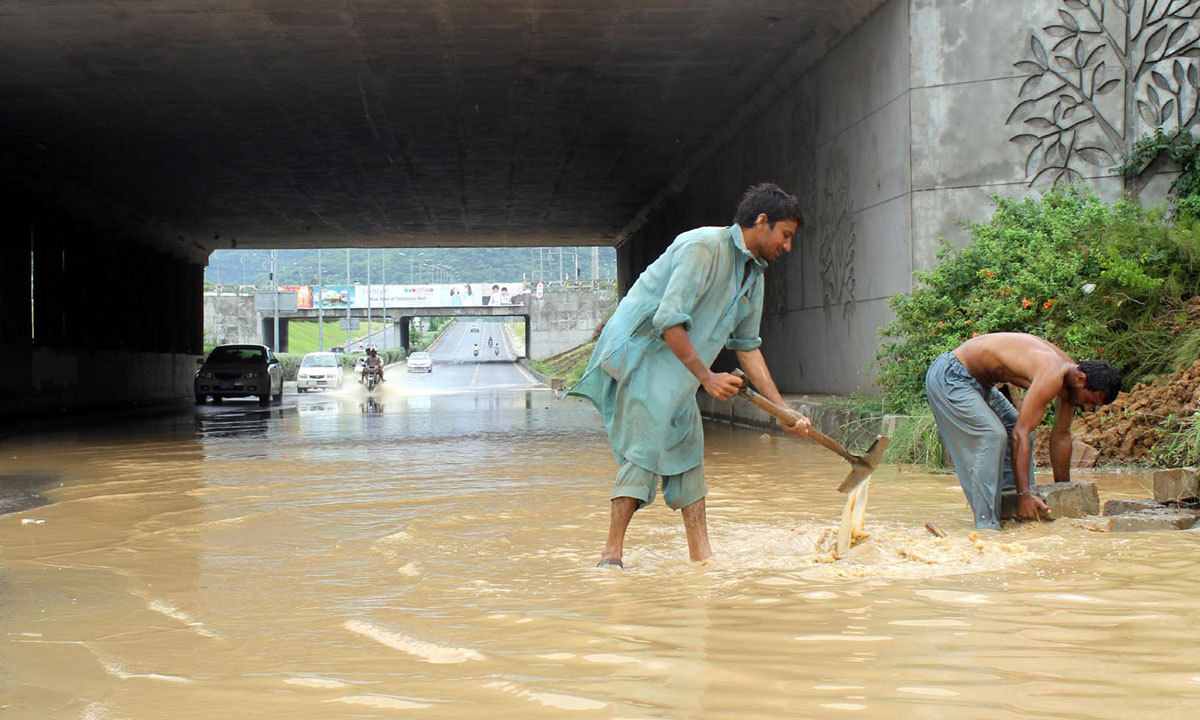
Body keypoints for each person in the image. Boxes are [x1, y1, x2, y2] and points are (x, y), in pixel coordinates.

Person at [568, 183, 811, 568]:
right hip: (641, 358)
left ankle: (702, 558)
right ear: (762, 221)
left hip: (679, 374)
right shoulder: (702, 247)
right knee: (644, 451)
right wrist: (708, 378)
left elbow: (747, 347)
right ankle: (611, 557)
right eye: (785, 235)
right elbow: (668, 321)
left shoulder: (754, 276)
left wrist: (782, 411)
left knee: (688, 457)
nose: (788, 246)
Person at [925, 332, 1121, 530]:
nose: (1087, 408)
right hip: (952, 375)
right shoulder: (1053, 373)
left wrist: (1063, 495)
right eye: (1089, 401)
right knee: (993, 435)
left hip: (983, 386)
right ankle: (987, 527)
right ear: (1080, 379)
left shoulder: (1072, 385)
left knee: (1012, 426)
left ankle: (1008, 512)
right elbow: (1021, 435)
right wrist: (1024, 495)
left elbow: (1060, 437)